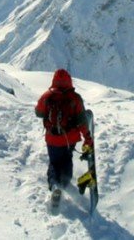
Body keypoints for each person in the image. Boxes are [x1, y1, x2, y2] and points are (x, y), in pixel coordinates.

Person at [35, 68, 93, 197]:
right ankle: (65, 182)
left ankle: (55, 185)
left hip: (52, 138)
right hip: (69, 139)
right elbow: (83, 121)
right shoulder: (75, 98)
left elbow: (38, 113)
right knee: (67, 159)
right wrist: (87, 139)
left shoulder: (47, 96)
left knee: (54, 163)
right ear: (69, 81)